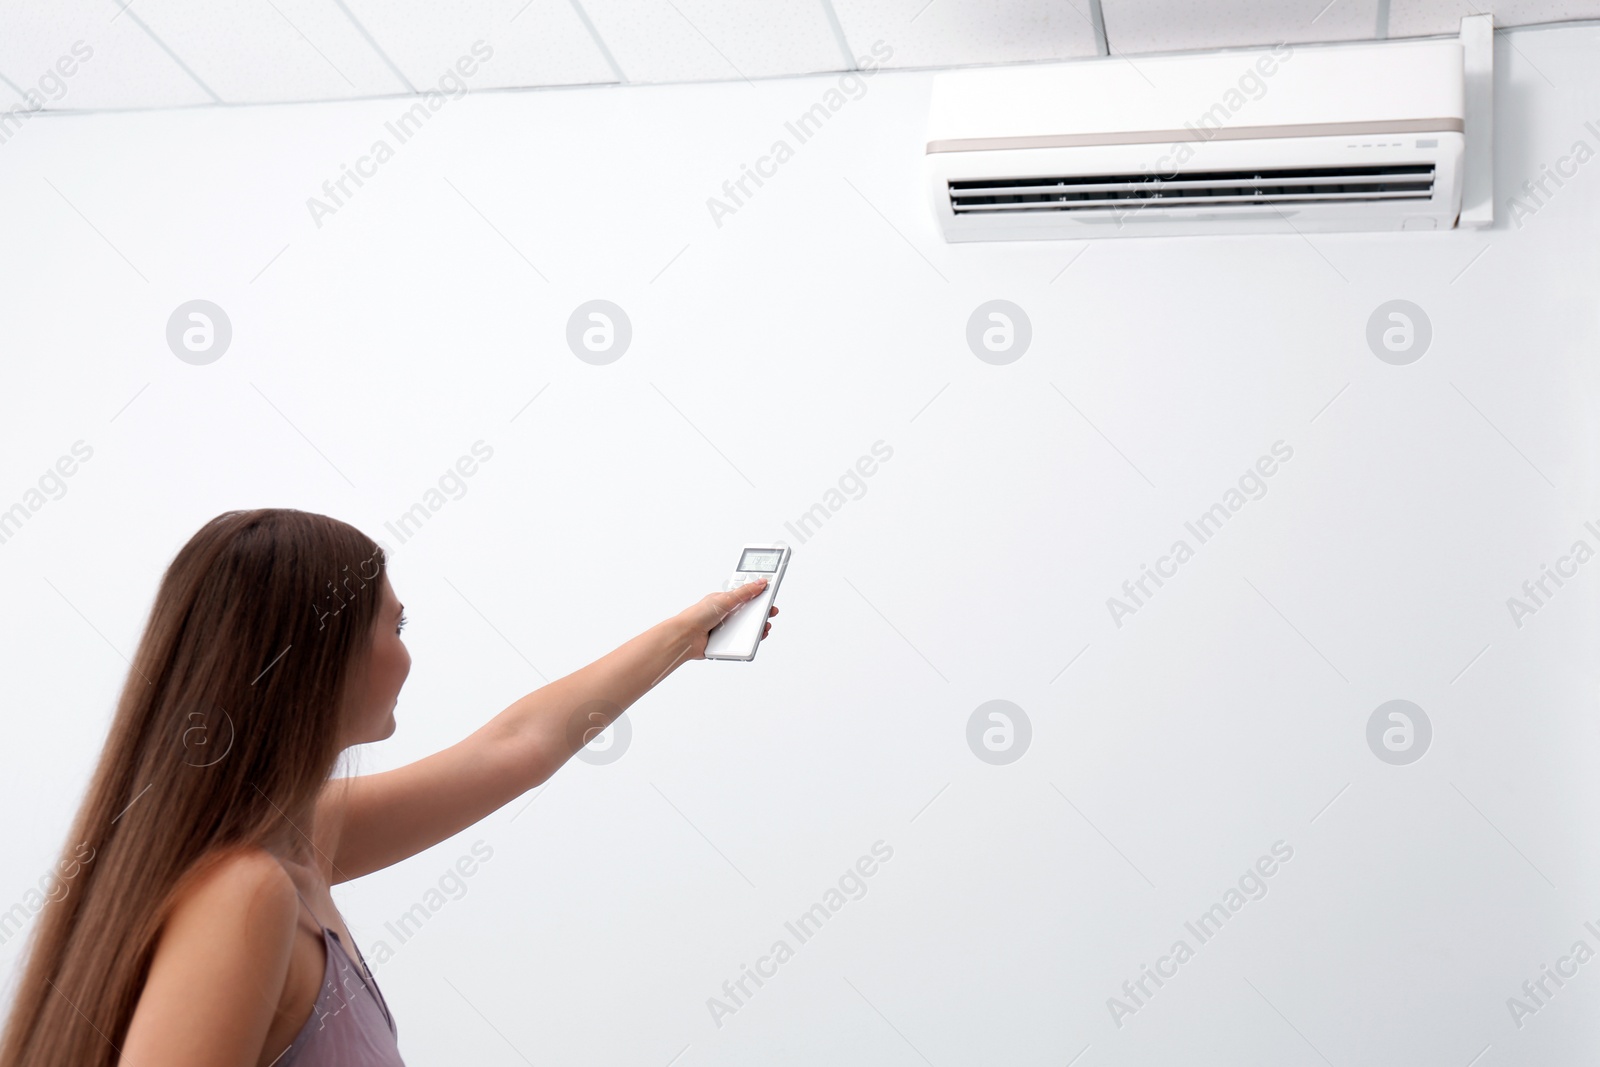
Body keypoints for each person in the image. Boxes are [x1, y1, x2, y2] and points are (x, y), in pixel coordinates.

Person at [0, 508, 776, 1067]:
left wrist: (686, 636)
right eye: (395, 626)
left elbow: (518, 745)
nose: (406, 654)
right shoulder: (247, 890)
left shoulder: (299, 837)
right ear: (318, 653)